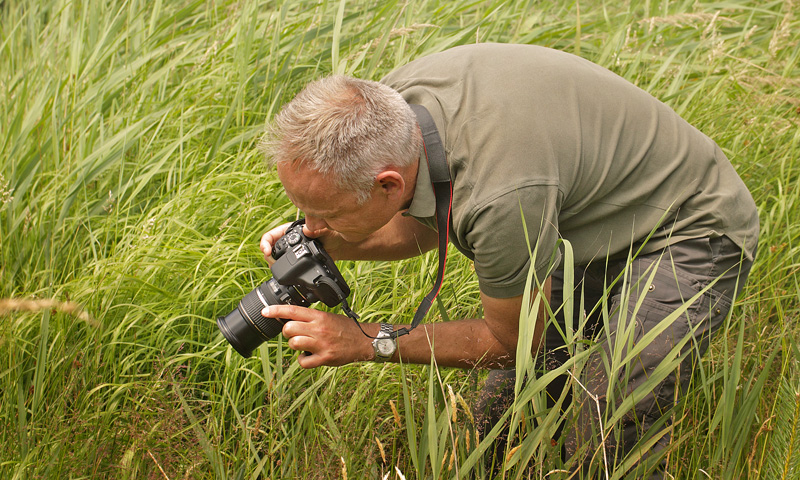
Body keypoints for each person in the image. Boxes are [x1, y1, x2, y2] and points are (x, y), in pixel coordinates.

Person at [257, 43, 759, 477]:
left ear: (385, 182)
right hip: (585, 217)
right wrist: (332, 243)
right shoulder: (387, 112)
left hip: (689, 226)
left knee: (607, 418)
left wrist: (368, 341)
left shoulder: (501, 194)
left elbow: (511, 344)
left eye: (320, 213)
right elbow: (434, 214)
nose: (308, 225)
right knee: (502, 417)